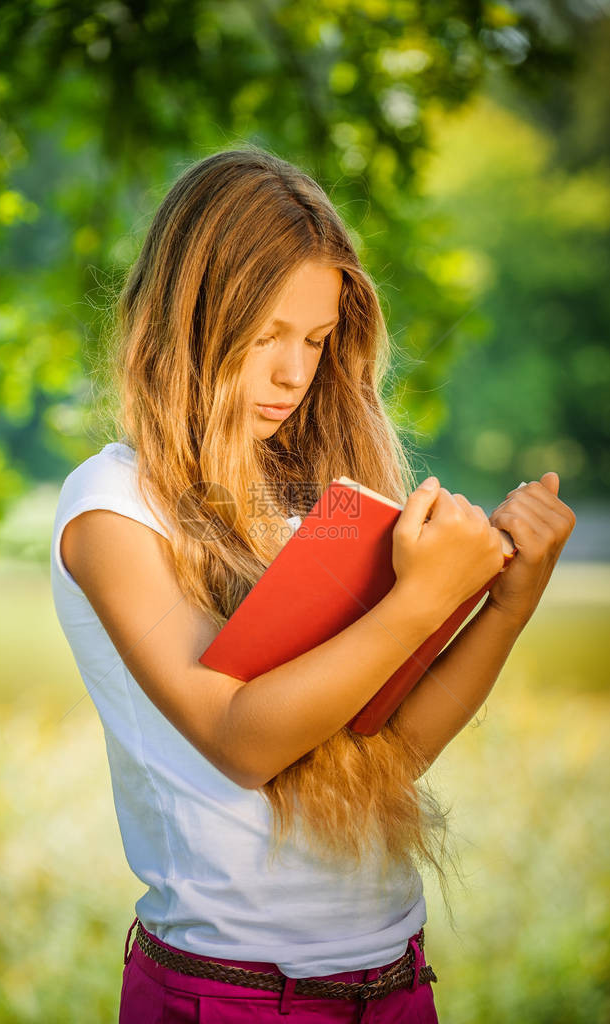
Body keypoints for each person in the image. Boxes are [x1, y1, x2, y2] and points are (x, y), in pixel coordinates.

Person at [50, 147, 576, 1023]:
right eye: (266, 336)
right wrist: (415, 600)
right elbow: (240, 741)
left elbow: (392, 750)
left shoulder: (313, 504)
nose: (295, 374)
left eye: (317, 339)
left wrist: (507, 599)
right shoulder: (111, 507)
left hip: (393, 980)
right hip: (232, 997)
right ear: (190, 320)